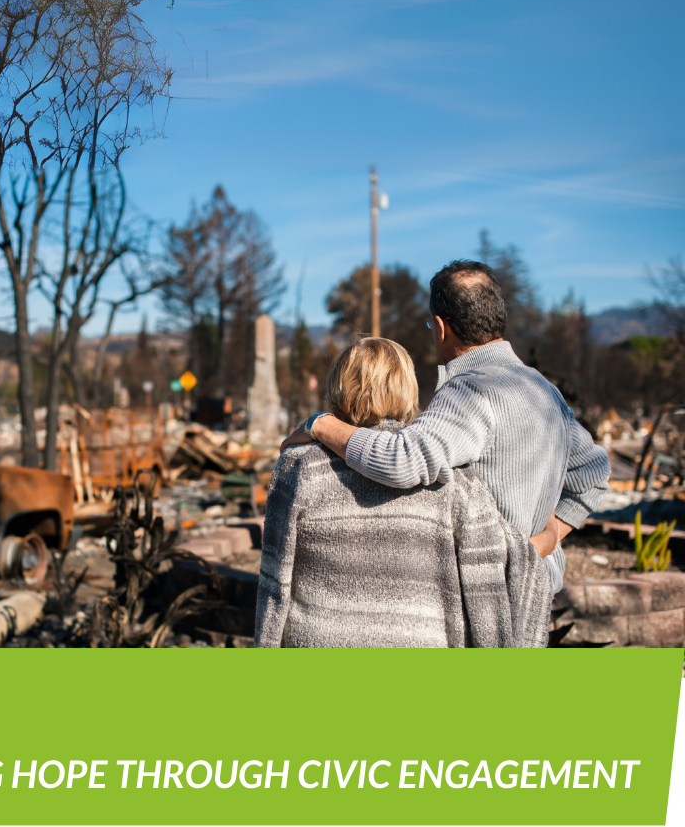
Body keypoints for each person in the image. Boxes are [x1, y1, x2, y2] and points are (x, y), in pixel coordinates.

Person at [287, 260, 609, 593]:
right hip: (538, 591)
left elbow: (401, 460)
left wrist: (319, 424)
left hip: (491, 598)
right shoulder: (543, 389)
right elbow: (594, 473)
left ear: (440, 327)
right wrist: (552, 534)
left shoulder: (471, 389)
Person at [256, 338, 551, 647]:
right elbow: (488, 582)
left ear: (337, 387)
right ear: (408, 388)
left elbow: (275, 581)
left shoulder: (297, 467)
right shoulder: (452, 479)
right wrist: (551, 536)